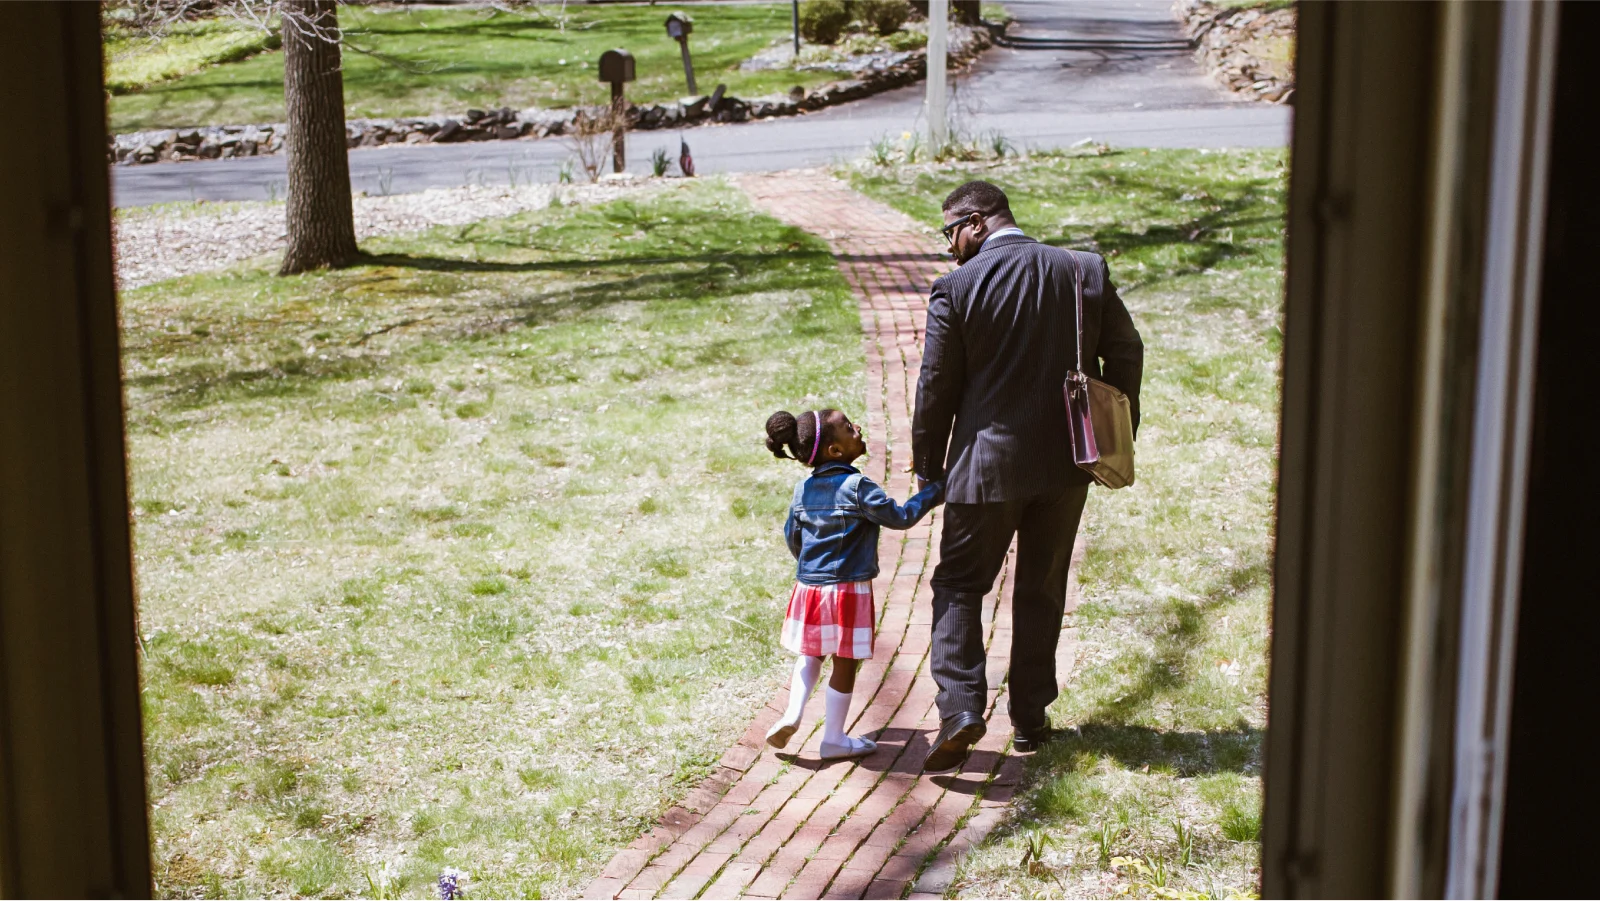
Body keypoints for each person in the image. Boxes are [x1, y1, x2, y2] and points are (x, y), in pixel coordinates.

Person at [913, 180, 1144, 772]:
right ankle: (1031, 721)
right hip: (1068, 462)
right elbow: (1127, 349)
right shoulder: (1081, 271)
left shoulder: (956, 288)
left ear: (975, 222)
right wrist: (1118, 426)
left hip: (983, 469)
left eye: (950, 235)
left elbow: (936, 386)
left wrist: (927, 466)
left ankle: (961, 708)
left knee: (961, 587)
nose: (949, 250)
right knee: (1041, 589)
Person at [763, 407, 944, 761]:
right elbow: (902, 517)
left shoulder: (803, 489)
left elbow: (793, 538)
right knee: (845, 662)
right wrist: (936, 491)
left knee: (811, 652)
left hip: (810, 588)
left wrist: (811, 567)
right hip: (848, 590)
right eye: (848, 427)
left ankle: (792, 712)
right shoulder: (857, 487)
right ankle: (833, 739)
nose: (857, 427)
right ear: (835, 450)